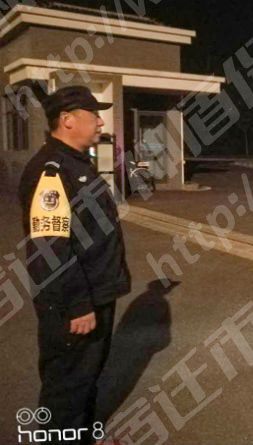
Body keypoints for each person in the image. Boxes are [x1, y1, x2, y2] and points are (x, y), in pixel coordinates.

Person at [18, 86, 131, 445]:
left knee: (85, 378)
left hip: (95, 292)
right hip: (75, 302)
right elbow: (50, 249)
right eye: (93, 115)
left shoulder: (76, 163)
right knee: (67, 386)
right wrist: (78, 305)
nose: (100, 122)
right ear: (67, 120)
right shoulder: (51, 170)